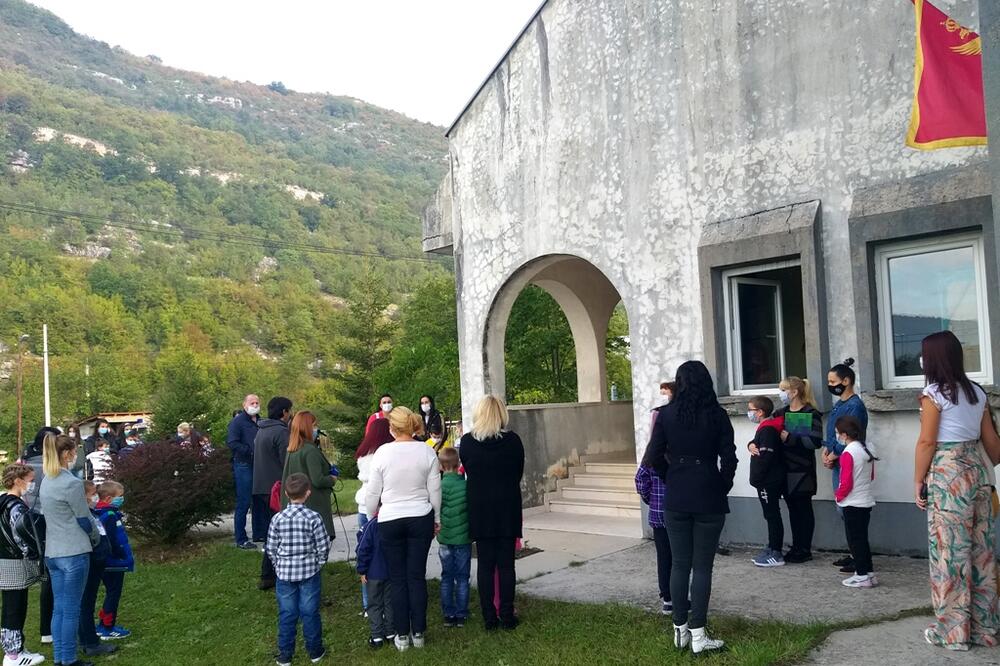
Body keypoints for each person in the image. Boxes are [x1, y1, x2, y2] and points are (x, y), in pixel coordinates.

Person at [915, 330, 1000, 650]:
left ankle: (952, 632)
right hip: (976, 474)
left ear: (932, 359)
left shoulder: (933, 394)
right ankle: (985, 629)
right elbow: (994, 447)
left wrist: (918, 480)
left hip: (947, 476)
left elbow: (926, 442)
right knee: (981, 553)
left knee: (949, 556)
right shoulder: (977, 393)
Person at [645, 360, 736, 654]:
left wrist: (670, 477)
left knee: (680, 563)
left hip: (678, 494)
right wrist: (723, 484)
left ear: (679, 383)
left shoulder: (666, 415)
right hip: (708, 491)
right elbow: (729, 457)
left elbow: (653, 456)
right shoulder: (717, 415)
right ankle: (698, 633)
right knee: (703, 567)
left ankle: (680, 629)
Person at [365, 407, 441, 652]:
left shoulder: (383, 453)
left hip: (390, 519)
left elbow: (373, 492)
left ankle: (401, 635)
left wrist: (370, 516)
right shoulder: (427, 451)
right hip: (420, 516)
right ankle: (418, 632)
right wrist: (436, 517)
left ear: (392, 428)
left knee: (397, 579)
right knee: (416, 576)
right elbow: (435, 490)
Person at [459, 396, 524, 632]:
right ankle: (506, 615)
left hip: (480, 509)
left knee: (485, 565)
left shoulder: (467, 443)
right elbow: (518, 472)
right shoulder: (513, 441)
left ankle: (489, 617)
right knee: (506, 565)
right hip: (507, 507)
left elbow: (467, 468)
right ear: (501, 414)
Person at [40, 434, 99, 666]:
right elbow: (84, 519)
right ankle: (69, 659)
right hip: (73, 550)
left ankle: (60, 658)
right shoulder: (71, 483)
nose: (76, 456)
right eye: (74, 452)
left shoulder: (47, 480)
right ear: (66, 454)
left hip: (53, 552)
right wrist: (96, 539)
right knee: (72, 609)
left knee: (60, 608)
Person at [266, 473, 331, 666]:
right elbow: (323, 545)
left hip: (285, 573)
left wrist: (278, 564)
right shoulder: (314, 517)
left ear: (286, 493)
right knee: (310, 611)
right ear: (308, 493)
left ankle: (285, 655)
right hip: (309, 571)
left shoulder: (277, 518)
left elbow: (271, 547)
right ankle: (315, 651)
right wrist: (318, 563)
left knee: (287, 612)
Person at [822, 358, 869, 573]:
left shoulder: (855, 406)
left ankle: (858, 558)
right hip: (837, 459)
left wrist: (833, 454)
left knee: (849, 509)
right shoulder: (839, 405)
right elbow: (833, 432)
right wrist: (826, 450)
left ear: (846, 380)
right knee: (843, 509)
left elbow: (849, 435)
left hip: (846, 460)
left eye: (833, 381)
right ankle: (853, 553)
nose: (830, 385)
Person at [0, 463, 44, 666]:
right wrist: (33, 554)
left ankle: (17, 648)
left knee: (13, 606)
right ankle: (13, 655)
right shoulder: (16, 506)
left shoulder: (2, 501)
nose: (33, 484)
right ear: (18, 481)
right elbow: (21, 536)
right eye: (31, 480)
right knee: (15, 608)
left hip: (4, 560)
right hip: (15, 561)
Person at [775, 376, 823, 563]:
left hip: (802, 470)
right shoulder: (781, 412)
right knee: (792, 510)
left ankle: (804, 548)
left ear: (794, 392)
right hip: (784, 469)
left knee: (803, 510)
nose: (781, 394)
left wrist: (790, 438)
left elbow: (814, 442)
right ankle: (796, 546)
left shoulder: (811, 413)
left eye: (783, 390)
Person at [17, 429, 55, 647]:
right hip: (43, 520)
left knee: (47, 575)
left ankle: (47, 629)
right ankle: (48, 629)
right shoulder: (45, 466)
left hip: (33, 521)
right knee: (50, 576)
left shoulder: (28, 460)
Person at [832, 416, 878, 589]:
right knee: (863, 539)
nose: (837, 436)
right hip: (865, 500)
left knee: (855, 541)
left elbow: (846, 481)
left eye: (838, 433)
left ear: (844, 434)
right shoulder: (867, 448)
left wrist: (839, 496)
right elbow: (871, 475)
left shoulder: (848, 452)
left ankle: (861, 575)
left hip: (852, 502)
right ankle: (869, 572)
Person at [354, 419, 394, 615]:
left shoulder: (363, 454)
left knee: (367, 557)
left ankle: (368, 604)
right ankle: (388, 603)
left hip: (363, 506)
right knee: (387, 558)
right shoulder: (387, 454)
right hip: (383, 507)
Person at [252, 397, 293, 591]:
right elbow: (288, 463)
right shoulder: (281, 432)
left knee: (271, 531)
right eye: (289, 411)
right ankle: (271, 574)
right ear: (284, 412)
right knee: (279, 533)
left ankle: (268, 575)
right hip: (276, 488)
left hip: (261, 486)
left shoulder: (262, 430)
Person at [281, 412, 337, 539]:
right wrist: (332, 479)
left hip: (296, 506)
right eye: (314, 425)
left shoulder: (292, 449)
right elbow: (317, 480)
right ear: (307, 427)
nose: (316, 429)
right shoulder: (310, 451)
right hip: (313, 504)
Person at [77, 481, 116, 660]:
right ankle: (90, 642)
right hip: (91, 560)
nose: (95, 497)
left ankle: (85, 638)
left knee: (87, 601)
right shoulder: (83, 514)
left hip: (96, 560)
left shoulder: (90, 511)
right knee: (86, 602)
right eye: (92, 493)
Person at [747, 396, 787, 567]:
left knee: (772, 515)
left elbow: (766, 457)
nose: (749, 413)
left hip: (767, 481)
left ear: (760, 412)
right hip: (765, 480)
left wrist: (757, 478)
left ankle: (776, 552)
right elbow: (757, 446)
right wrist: (750, 444)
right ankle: (771, 547)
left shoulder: (768, 430)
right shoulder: (764, 428)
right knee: (769, 514)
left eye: (751, 410)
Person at [94, 482, 133, 640]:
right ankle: (107, 627)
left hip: (109, 561)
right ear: (109, 498)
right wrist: (121, 554)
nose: (122, 499)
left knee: (112, 592)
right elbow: (110, 540)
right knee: (113, 593)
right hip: (113, 562)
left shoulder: (104, 512)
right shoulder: (109, 516)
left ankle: (104, 623)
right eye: (119, 497)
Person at [635, 450, 672, 614]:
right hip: (679, 515)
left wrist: (650, 499)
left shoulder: (650, 456)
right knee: (681, 559)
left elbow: (640, 480)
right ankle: (681, 596)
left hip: (658, 515)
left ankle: (667, 599)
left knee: (664, 558)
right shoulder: (677, 454)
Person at [437, 447, 470, 628]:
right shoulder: (465, 486)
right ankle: (461, 614)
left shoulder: (438, 487)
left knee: (446, 576)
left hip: (445, 537)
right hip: (463, 537)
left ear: (441, 466)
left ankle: (448, 613)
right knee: (463, 577)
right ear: (459, 465)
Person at [227, 394, 261, 550]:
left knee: (259, 500)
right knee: (244, 502)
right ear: (244, 405)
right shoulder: (237, 422)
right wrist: (249, 451)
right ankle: (241, 538)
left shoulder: (261, 421)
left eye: (257, 402)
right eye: (252, 402)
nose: (255, 405)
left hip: (259, 465)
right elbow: (232, 442)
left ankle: (259, 533)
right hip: (243, 464)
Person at [355, 511, 393, 649]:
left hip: (373, 573)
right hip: (390, 572)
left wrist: (361, 570)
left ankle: (377, 637)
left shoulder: (371, 525)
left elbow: (362, 549)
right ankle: (390, 633)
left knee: (374, 605)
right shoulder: (394, 524)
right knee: (389, 603)